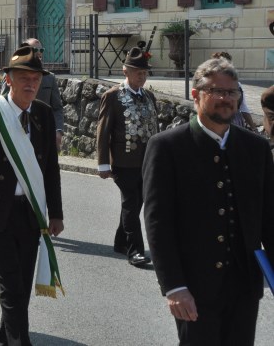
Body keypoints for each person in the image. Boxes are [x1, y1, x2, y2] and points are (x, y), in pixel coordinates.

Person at [143, 57, 274, 346]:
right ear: (196, 94)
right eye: (217, 91)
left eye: (232, 92)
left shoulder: (256, 148)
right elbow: (158, 223)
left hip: (245, 287)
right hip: (193, 287)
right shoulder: (167, 147)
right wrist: (174, 286)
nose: (226, 99)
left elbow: (269, 219)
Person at [0, 45, 64, 346]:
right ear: (8, 79)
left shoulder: (44, 115)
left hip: (31, 211)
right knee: (10, 282)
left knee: (21, 280)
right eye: (23, 78)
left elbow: (51, 169)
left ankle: (6, 336)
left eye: (35, 78)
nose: (31, 84)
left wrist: (55, 213)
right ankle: (21, 341)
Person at [95, 47, 158, 268]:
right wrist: (103, 164)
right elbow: (103, 132)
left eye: (145, 73)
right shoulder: (113, 96)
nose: (142, 76)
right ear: (126, 72)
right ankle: (135, 251)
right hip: (123, 162)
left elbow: (155, 130)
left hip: (146, 163)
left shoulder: (149, 96)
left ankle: (121, 242)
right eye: (138, 72)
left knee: (136, 203)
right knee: (132, 204)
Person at [1, 38, 64, 150]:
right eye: (35, 49)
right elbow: (3, 102)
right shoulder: (12, 76)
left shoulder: (49, 78)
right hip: (16, 130)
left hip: (42, 133)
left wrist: (58, 130)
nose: (39, 52)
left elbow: (57, 108)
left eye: (42, 50)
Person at [211, 52, 255, 129]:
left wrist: (254, 128)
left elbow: (243, 108)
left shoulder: (237, 85)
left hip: (236, 123)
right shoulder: (210, 85)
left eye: (228, 65)